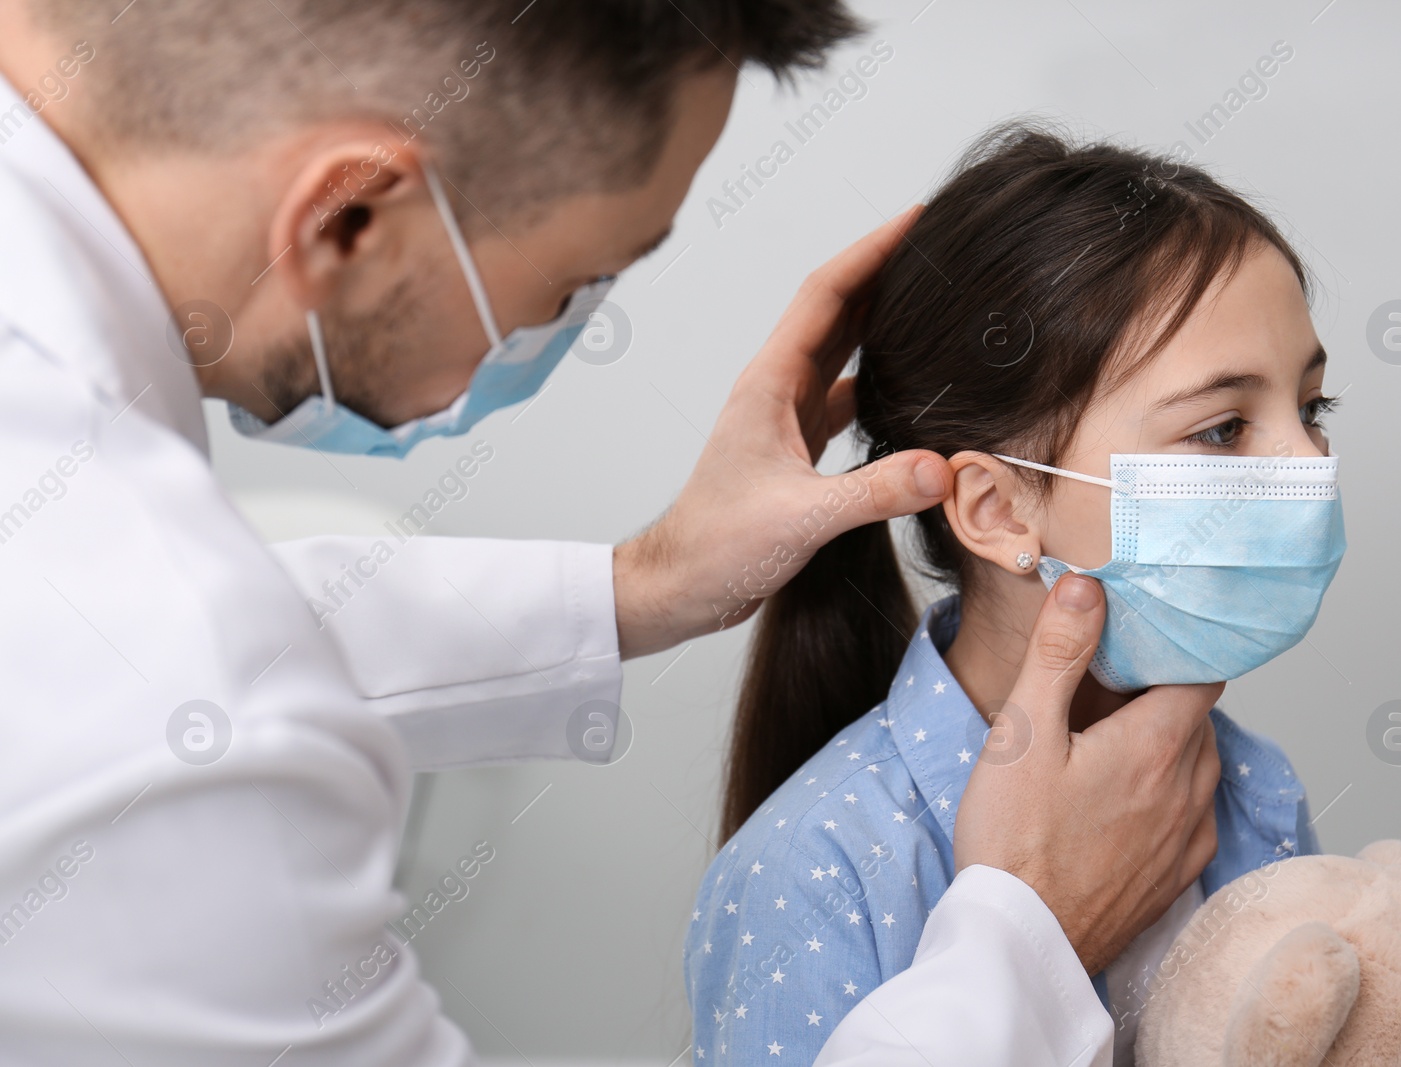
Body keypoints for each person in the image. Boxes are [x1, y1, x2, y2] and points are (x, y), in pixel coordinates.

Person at [0, 3, 1223, 1063]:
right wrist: (1025, 941)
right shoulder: (156, 700)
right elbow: (168, 687)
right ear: (351, 221)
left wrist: (643, 584)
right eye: (582, 279)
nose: (560, 326)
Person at [687, 125, 1345, 1065]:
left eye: (1312, 408)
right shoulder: (814, 871)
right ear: (996, 508)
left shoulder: (1254, 785)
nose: (1309, 465)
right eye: (1224, 426)